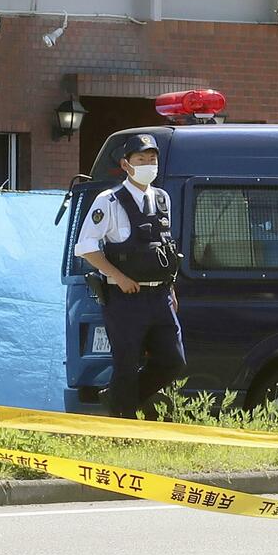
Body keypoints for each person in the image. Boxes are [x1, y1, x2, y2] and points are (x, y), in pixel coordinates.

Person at [74, 134, 185, 418]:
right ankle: (122, 427)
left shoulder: (162, 198)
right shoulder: (108, 200)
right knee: (126, 363)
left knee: (173, 361)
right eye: (141, 159)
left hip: (159, 296)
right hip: (125, 298)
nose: (148, 164)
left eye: (152, 159)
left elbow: (164, 247)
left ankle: (118, 399)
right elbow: (86, 247)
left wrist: (170, 288)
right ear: (126, 164)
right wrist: (118, 276)